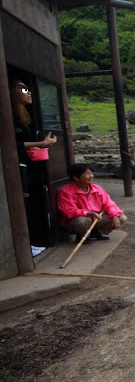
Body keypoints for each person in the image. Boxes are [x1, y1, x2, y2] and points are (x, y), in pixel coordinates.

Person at [10, 78, 57, 254]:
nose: (28, 92)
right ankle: (23, 247)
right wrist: (41, 143)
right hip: (15, 165)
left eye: (28, 89)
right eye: (23, 90)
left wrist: (38, 146)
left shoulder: (23, 116)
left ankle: (28, 244)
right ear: (14, 93)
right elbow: (13, 143)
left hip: (25, 162)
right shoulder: (12, 117)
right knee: (19, 203)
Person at [57, 163, 127, 243]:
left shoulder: (97, 189)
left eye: (91, 173)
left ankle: (96, 232)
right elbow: (68, 211)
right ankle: (81, 235)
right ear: (76, 178)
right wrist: (87, 213)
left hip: (96, 219)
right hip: (79, 220)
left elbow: (109, 204)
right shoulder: (66, 191)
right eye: (87, 174)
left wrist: (114, 215)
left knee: (121, 218)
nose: (91, 176)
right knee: (82, 222)